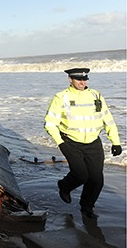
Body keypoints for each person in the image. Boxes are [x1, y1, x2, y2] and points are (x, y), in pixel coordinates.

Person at [44, 68, 122, 219]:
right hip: (70, 142)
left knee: (96, 180)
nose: (82, 82)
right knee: (81, 175)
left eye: (85, 79)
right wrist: (61, 143)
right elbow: (49, 123)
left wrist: (115, 142)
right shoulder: (61, 97)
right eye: (79, 79)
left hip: (93, 143)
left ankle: (87, 207)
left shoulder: (96, 95)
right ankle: (64, 186)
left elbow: (108, 120)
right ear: (70, 79)